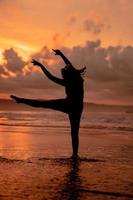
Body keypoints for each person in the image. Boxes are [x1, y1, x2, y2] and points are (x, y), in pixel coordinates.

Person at [10, 49, 86, 158]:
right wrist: (60, 55)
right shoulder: (78, 80)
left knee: (42, 103)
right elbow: (68, 66)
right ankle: (75, 155)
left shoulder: (67, 81)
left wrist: (41, 65)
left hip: (69, 104)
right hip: (77, 107)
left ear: (67, 75)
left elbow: (51, 76)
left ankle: (21, 100)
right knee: (74, 132)